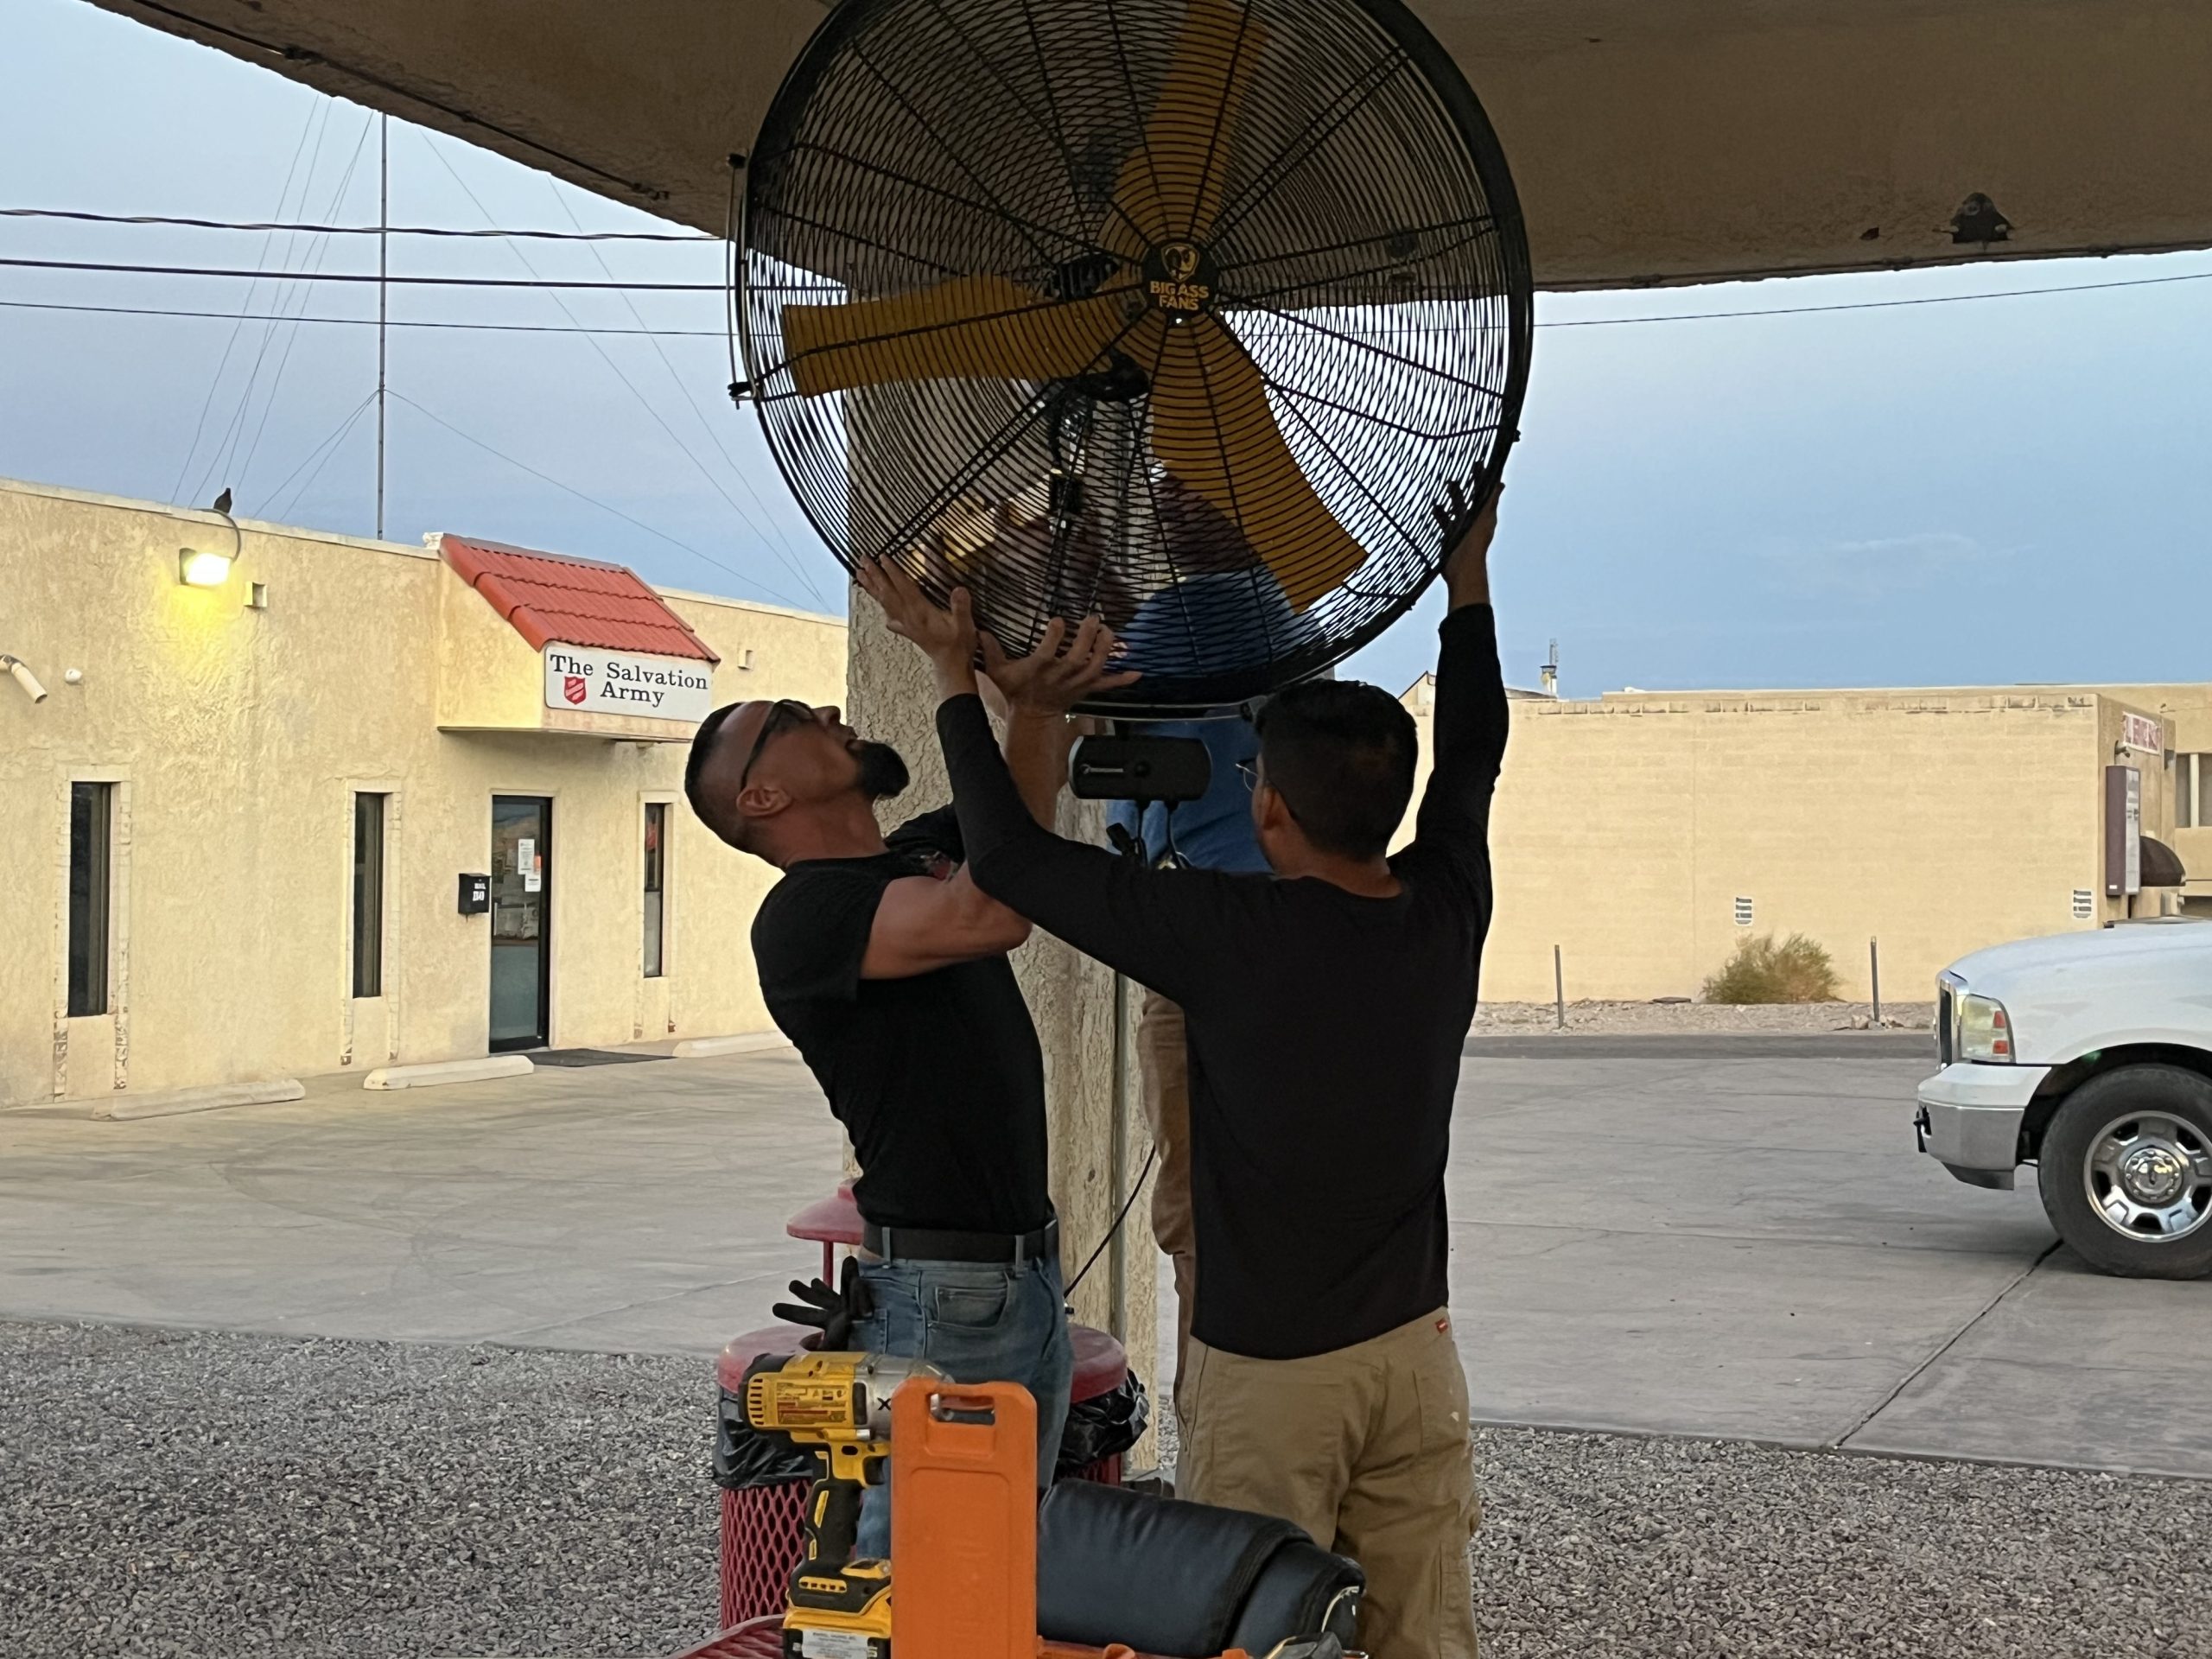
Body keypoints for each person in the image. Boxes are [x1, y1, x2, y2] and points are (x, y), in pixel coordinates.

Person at [856, 483, 1508, 1659]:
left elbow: (1004, 854)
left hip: (1274, 1375)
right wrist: (1466, 579)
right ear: (1396, 803)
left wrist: (959, 676)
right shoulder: (1448, 901)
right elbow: (1474, 748)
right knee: (1426, 1629)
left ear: (1265, 808)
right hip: (1417, 1351)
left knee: (1256, 1624)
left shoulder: (1222, 937)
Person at [683, 682, 1090, 1554]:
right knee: (924, 1580)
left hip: (1018, 1279)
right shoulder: (802, 918)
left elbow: (1013, 812)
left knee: (1002, 1571)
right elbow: (992, 908)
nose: (829, 715)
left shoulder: (908, 860)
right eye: (790, 723)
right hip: (941, 1303)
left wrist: (1032, 697)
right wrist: (948, 682)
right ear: (763, 799)